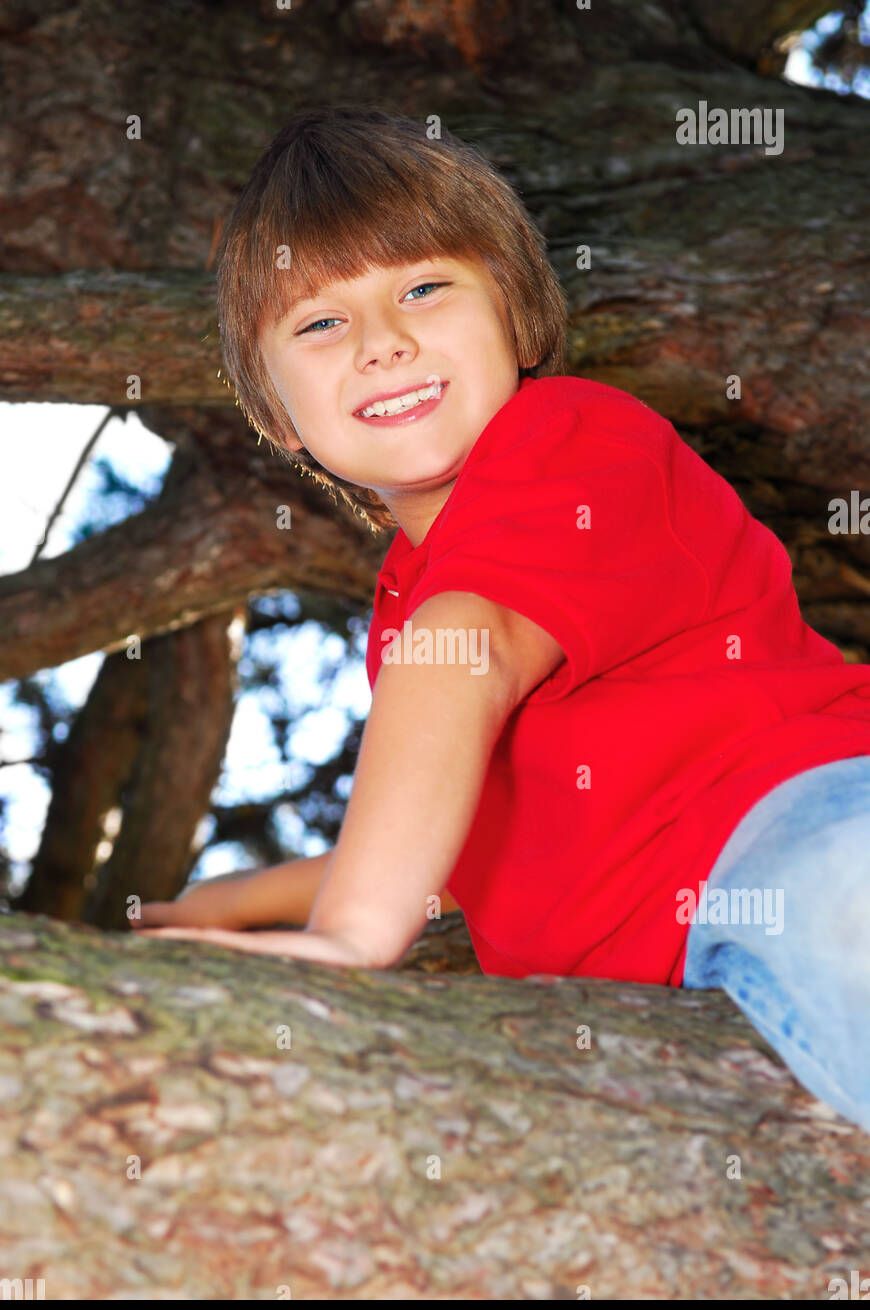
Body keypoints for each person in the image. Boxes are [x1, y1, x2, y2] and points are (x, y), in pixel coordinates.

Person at [138, 105, 870, 1132]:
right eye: (320, 323)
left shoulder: (571, 441)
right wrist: (244, 898)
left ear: (519, 318)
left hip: (796, 827)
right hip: (683, 969)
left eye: (424, 288)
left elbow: (467, 656)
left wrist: (351, 934)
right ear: (276, 415)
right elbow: (478, 845)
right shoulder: (409, 602)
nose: (384, 343)